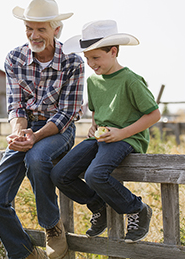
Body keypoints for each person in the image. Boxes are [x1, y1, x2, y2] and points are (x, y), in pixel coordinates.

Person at [0, 0, 84, 258]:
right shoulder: (15, 58)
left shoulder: (73, 62)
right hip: (26, 130)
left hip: (59, 129)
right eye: (29, 28)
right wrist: (19, 132)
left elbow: (67, 113)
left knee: (37, 158)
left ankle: (52, 227)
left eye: (41, 29)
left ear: (56, 30)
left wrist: (36, 136)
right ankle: (26, 254)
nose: (34, 35)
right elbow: (16, 106)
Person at [50, 20, 161, 243]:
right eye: (87, 58)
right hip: (102, 137)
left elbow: (154, 115)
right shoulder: (93, 81)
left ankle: (137, 209)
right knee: (59, 174)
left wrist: (122, 133)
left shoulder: (130, 80)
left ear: (113, 51)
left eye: (96, 58)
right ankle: (98, 207)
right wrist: (93, 125)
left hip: (127, 138)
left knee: (94, 175)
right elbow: (96, 110)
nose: (91, 63)